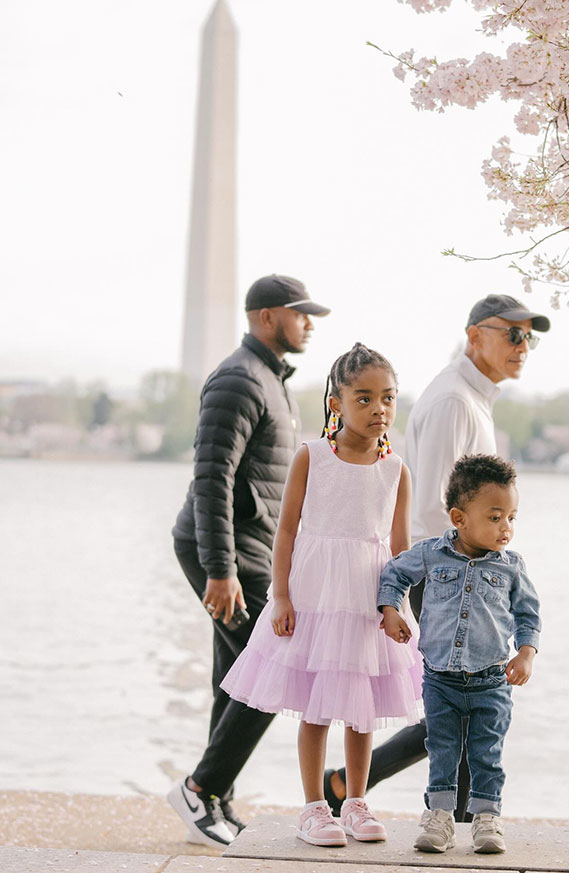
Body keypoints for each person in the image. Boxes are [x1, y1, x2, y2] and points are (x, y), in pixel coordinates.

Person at [324, 293, 550, 820]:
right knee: (461, 695)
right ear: (475, 336)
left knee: (466, 696)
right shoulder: (453, 401)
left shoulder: (471, 398)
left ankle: (435, 805)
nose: (523, 345)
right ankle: (459, 814)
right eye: (511, 333)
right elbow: (441, 507)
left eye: (528, 337)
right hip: (447, 574)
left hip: (467, 569)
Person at [219, 343, 422, 848]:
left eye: (389, 399)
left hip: (367, 598)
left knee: (362, 704)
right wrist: (281, 597)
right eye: (365, 398)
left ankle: (355, 800)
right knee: (316, 703)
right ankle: (313, 807)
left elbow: (400, 547)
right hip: (315, 595)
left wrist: (400, 608)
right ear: (337, 402)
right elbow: (285, 532)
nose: (379, 409)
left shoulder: (396, 468)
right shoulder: (311, 457)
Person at [167, 274, 330, 849]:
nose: (310, 322)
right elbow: (210, 479)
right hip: (226, 553)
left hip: (252, 552)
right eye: (300, 312)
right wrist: (221, 570)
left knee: (236, 677)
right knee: (279, 667)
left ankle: (215, 799)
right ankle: (198, 788)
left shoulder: (272, 379)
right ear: (266, 316)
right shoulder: (239, 379)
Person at [378, 454, 541, 856]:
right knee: (443, 750)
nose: (506, 528)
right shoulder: (431, 554)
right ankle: (439, 819)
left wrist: (525, 655)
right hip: (439, 679)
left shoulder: (511, 568)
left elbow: (528, 613)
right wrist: (391, 610)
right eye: (495, 517)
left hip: (491, 680)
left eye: (512, 518)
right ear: (459, 518)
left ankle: (487, 819)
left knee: (487, 752)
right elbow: (394, 573)